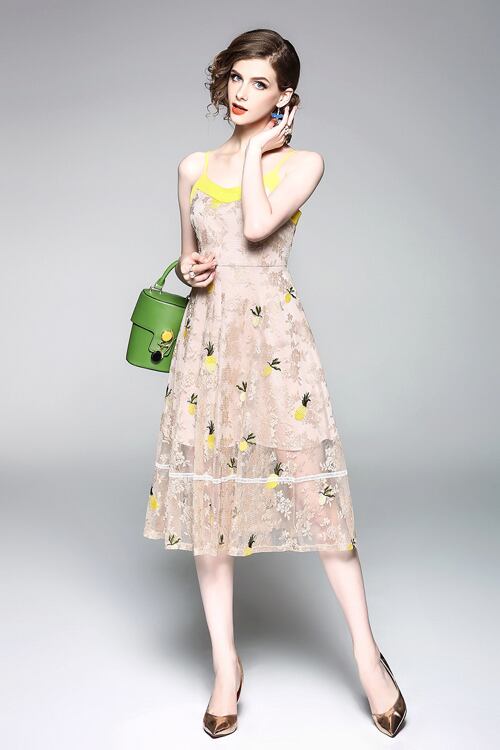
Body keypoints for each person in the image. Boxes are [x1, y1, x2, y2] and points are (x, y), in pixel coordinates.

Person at [143, 28, 407, 739]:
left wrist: (259, 152)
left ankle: (367, 656)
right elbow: (189, 256)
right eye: (236, 77)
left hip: (275, 345)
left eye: (259, 83)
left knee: (321, 505)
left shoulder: (302, 163)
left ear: (284, 97)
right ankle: (224, 665)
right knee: (210, 513)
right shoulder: (193, 165)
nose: (241, 92)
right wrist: (189, 267)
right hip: (208, 346)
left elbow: (258, 229)